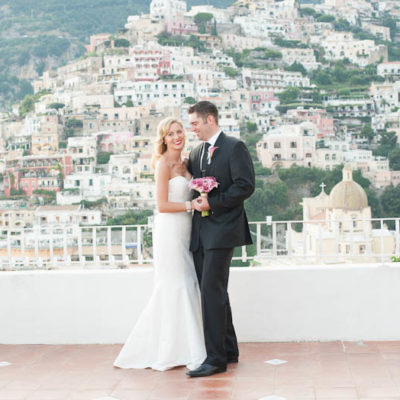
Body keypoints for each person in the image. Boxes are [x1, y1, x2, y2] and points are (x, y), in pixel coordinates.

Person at [114, 117, 206, 371]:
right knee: (175, 284)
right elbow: (162, 206)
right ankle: (169, 348)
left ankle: (187, 345)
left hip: (187, 229)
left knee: (188, 282)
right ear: (163, 138)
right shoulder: (163, 164)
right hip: (169, 230)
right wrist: (191, 205)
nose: (177, 136)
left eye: (180, 131)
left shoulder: (187, 163)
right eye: (171, 133)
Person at [186, 101, 255, 377]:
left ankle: (215, 359)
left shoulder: (234, 147)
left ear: (210, 119)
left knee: (211, 293)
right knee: (215, 291)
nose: (193, 129)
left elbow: (245, 186)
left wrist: (212, 204)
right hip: (201, 233)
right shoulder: (195, 152)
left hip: (224, 230)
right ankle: (228, 349)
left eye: (195, 123)